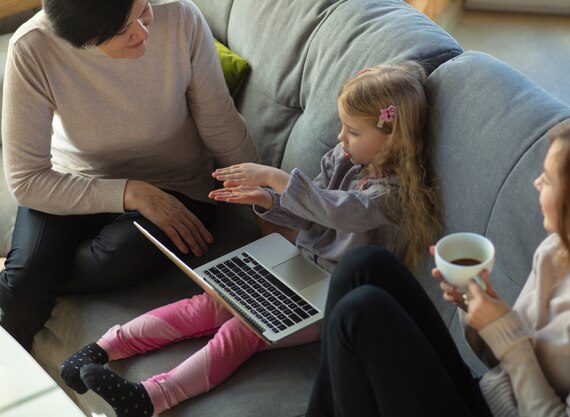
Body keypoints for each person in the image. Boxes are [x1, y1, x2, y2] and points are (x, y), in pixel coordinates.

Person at [60, 61, 441, 417]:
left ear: (393, 138)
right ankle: (100, 348)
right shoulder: (342, 159)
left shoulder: (391, 193)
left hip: (332, 299)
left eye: (353, 132)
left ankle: (151, 397)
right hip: (296, 263)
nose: (341, 138)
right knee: (206, 302)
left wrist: (276, 178)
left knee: (242, 330)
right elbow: (308, 210)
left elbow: (339, 209)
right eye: (342, 127)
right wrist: (267, 199)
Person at [305, 117, 570, 417]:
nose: (537, 183)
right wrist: (473, 304)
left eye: (550, 179)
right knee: (365, 265)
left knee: (361, 312)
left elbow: (515, 351)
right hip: (482, 397)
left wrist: (509, 336)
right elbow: (499, 360)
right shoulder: (560, 250)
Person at [0, 0, 258, 350]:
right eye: (123, 29)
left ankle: (28, 278)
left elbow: (220, 124)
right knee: (20, 293)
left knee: (112, 259)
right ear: (82, 40)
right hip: (72, 181)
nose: (143, 30)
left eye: (144, 10)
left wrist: (268, 203)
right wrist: (131, 192)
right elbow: (27, 180)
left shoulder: (179, 16)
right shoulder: (33, 47)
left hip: (177, 186)